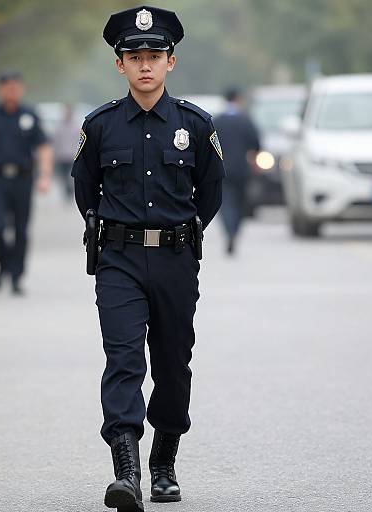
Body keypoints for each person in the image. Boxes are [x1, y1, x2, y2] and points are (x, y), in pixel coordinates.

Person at [71, 7, 225, 511]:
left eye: (154, 56)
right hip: (118, 259)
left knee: (173, 365)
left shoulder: (195, 126)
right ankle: (127, 471)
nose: (144, 66)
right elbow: (84, 187)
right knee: (123, 360)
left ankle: (163, 461)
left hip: (177, 261)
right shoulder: (100, 127)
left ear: (170, 62)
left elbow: (212, 193)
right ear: (120, 65)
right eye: (134, 57)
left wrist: (184, 232)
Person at [0, 71, 53, 295]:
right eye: (7, 86)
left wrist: (44, 176)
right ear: (0, 89)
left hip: (23, 179)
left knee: (21, 230)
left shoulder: (30, 115)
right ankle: (4, 265)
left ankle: (16, 276)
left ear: (21, 89)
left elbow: (43, 147)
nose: (11, 91)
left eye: (15, 86)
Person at [212, 87, 260, 255]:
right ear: (238, 99)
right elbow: (256, 144)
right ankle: (235, 231)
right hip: (242, 169)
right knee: (240, 203)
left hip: (221, 169)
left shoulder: (216, 121)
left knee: (226, 204)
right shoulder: (245, 120)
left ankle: (229, 232)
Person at [53, 103, 81, 201]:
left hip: (72, 155)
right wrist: (55, 153)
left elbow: (79, 141)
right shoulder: (59, 126)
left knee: (71, 175)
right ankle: (67, 191)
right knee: (64, 176)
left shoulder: (76, 126)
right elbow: (56, 140)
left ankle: (70, 190)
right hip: (61, 156)